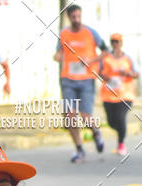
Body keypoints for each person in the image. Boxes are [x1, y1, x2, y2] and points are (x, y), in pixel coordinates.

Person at [53, 4, 107, 162]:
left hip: (86, 80)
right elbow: (58, 53)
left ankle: (95, 132)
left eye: (78, 16)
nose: (76, 19)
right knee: (69, 117)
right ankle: (79, 149)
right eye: (73, 17)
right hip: (68, 79)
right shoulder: (63, 34)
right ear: (69, 17)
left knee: (85, 116)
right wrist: (57, 57)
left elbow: (105, 51)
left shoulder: (90, 32)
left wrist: (92, 59)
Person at [100, 33, 139, 155]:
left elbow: (136, 74)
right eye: (113, 41)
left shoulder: (128, 59)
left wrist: (127, 73)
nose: (115, 44)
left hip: (125, 94)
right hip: (109, 94)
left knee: (120, 118)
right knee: (111, 121)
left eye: (117, 41)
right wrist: (106, 77)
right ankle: (121, 131)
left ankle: (121, 144)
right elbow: (99, 72)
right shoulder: (106, 58)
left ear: (121, 43)